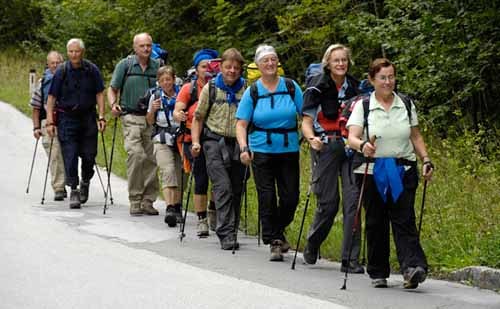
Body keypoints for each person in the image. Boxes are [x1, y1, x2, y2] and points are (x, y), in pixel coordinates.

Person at [347, 58, 434, 289]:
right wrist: (363, 145)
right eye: (383, 77)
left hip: (403, 168)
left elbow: (415, 135)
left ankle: (412, 268)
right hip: (372, 170)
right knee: (376, 220)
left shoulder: (404, 103)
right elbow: (352, 137)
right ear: (372, 80)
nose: (388, 82)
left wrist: (426, 159)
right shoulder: (363, 106)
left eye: (391, 77)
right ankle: (378, 271)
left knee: (404, 218)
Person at [300, 44, 364, 273]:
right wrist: (311, 139)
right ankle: (313, 242)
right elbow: (306, 122)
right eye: (336, 60)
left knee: (353, 202)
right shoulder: (316, 88)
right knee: (328, 204)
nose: (340, 64)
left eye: (344, 60)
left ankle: (350, 259)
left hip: (351, 148)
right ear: (328, 63)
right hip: (325, 146)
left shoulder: (357, 88)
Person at [236, 44, 303, 261]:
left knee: (291, 197)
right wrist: (244, 148)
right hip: (261, 150)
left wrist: (312, 136)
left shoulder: (292, 87)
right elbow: (241, 124)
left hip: (288, 149)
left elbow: (306, 115)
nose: (270, 64)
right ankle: (274, 240)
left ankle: (276, 229)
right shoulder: (253, 91)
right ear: (258, 65)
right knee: (267, 196)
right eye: (265, 60)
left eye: (273, 59)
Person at [191, 48, 247, 250]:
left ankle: (231, 228)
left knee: (237, 187)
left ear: (241, 69)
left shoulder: (247, 89)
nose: (232, 70)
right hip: (213, 142)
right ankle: (226, 233)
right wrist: (196, 141)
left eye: (236, 67)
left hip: (239, 144)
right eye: (227, 67)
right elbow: (198, 117)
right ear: (220, 67)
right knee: (222, 187)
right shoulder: (211, 88)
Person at [46, 38, 106, 209]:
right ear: (67, 53)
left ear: (82, 52)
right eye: (71, 51)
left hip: (87, 117)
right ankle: (73, 189)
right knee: (70, 155)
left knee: (89, 155)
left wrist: (101, 116)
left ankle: (85, 180)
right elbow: (51, 98)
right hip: (67, 118)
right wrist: (50, 121)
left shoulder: (91, 69)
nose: (74, 54)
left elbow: (100, 93)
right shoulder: (61, 71)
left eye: (77, 51)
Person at [107, 32, 160, 216]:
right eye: (142, 46)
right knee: (136, 155)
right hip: (130, 117)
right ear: (135, 47)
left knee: (152, 159)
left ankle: (148, 200)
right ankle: (135, 199)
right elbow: (112, 89)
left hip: (152, 119)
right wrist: (113, 105)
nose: (146, 49)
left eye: (149, 45)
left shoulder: (157, 66)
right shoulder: (125, 65)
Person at [173, 48, 219, 237]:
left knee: (218, 180)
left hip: (217, 138)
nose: (207, 69)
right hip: (193, 140)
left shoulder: (220, 86)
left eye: (210, 66)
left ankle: (213, 210)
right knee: (200, 179)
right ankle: (201, 220)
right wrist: (179, 115)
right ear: (197, 69)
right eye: (203, 66)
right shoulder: (189, 89)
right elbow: (177, 110)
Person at [146, 66, 183, 226]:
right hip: (162, 137)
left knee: (181, 174)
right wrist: (152, 110)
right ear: (158, 82)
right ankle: (170, 208)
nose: (166, 83)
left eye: (168, 79)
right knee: (167, 171)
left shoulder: (182, 94)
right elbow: (150, 121)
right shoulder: (155, 96)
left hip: (181, 137)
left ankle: (177, 206)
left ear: (174, 79)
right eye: (162, 80)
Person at [30, 51, 67, 201]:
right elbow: (36, 107)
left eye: (58, 62)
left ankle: (72, 182)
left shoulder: (69, 78)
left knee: (68, 153)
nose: (56, 65)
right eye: (53, 63)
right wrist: (36, 127)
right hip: (48, 122)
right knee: (54, 153)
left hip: (67, 119)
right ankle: (59, 187)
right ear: (48, 64)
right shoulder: (43, 82)